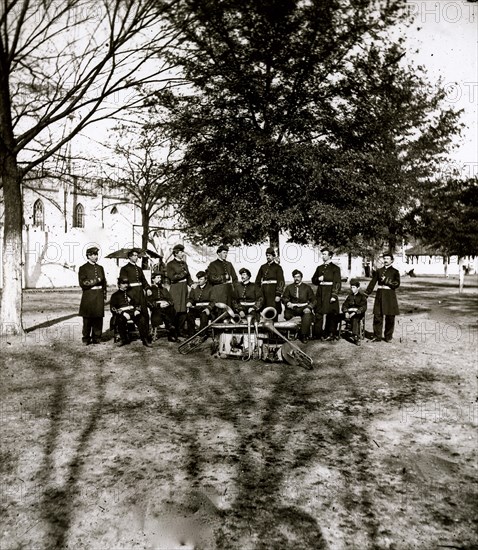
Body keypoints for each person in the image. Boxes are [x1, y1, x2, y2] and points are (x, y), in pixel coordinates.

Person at [365, 253, 400, 342]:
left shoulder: (395, 272)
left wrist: (386, 280)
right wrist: (366, 293)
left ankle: (388, 337)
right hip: (379, 295)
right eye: (384, 258)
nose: (385, 260)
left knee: (390, 317)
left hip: (390, 296)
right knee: (377, 316)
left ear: (392, 260)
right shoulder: (379, 271)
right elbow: (372, 283)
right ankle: (377, 336)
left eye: (388, 258)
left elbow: (396, 284)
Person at [110, 277, 152, 347]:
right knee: (120, 320)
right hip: (122, 313)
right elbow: (113, 308)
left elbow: (137, 303)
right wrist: (123, 313)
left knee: (141, 318)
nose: (126, 285)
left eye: (127, 283)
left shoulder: (132, 293)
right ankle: (123, 339)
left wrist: (137, 310)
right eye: (123, 284)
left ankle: (145, 339)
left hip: (133, 311)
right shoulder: (115, 295)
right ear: (119, 285)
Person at [78, 246, 107, 345]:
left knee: (98, 317)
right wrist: (97, 280)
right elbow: (83, 283)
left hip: (99, 295)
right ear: (88, 256)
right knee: (87, 318)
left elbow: (104, 282)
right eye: (94, 255)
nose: (96, 256)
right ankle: (86, 338)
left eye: (96, 254)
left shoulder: (100, 268)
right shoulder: (83, 268)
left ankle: (97, 337)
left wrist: (104, 293)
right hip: (89, 296)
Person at [312, 248, 342, 341]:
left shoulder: (335, 268)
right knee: (318, 313)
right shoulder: (319, 268)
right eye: (322, 254)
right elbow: (313, 280)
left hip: (330, 292)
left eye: (325, 254)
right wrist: (318, 279)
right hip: (320, 292)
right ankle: (318, 333)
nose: (323, 256)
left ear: (330, 256)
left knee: (331, 313)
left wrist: (334, 295)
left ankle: (331, 333)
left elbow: (337, 282)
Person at [119, 249, 152, 328]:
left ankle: (146, 333)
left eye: (137, 256)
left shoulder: (139, 269)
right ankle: (131, 331)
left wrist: (147, 289)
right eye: (134, 255)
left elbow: (144, 281)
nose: (136, 257)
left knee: (144, 313)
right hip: (131, 293)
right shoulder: (124, 269)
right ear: (130, 257)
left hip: (140, 293)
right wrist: (126, 295)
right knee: (133, 312)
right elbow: (123, 283)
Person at [282, 269, 316, 343]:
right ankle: (291, 333)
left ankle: (304, 335)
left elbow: (313, 300)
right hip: (292, 308)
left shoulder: (307, 287)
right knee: (287, 315)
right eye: (295, 277)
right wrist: (287, 303)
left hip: (304, 307)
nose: (296, 278)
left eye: (298, 277)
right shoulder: (289, 287)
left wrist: (309, 307)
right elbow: (284, 297)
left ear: (301, 278)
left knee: (307, 315)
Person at [166, 243, 193, 336]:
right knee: (176, 310)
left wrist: (191, 283)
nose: (182, 254)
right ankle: (174, 331)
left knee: (184, 310)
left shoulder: (184, 263)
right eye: (181, 252)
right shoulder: (170, 264)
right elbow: (172, 277)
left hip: (184, 288)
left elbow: (188, 275)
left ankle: (180, 330)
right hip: (176, 288)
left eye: (182, 251)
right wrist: (183, 274)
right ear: (176, 253)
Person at [148, 272, 178, 342]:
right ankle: (170, 329)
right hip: (156, 309)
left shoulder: (164, 289)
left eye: (160, 278)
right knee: (161, 312)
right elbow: (148, 302)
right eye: (158, 278)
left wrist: (168, 303)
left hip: (166, 308)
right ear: (153, 279)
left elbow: (171, 299)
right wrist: (159, 305)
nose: (160, 279)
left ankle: (171, 334)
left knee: (172, 310)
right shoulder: (150, 289)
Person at [254, 247, 285, 316]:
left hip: (273, 292)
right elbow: (257, 281)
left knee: (274, 310)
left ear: (273, 256)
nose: (268, 257)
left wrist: (278, 294)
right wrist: (258, 292)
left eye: (270, 255)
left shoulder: (278, 267)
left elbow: (281, 282)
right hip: (264, 291)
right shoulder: (263, 267)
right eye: (267, 255)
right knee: (264, 310)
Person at [339, 279, 368, 345]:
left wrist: (354, 313)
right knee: (335, 315)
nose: (352, 289)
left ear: (358, 288)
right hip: (348, 313)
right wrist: (346, 312)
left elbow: (363, 307)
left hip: (357, 314)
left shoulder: (362, 297)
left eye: (354, 287)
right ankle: (332, 333)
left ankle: (356, 337)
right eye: (351, 287)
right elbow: (344, 305)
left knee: (355, 319)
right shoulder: (350, 296)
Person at [186, 271, 215, 336]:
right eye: (198, 279)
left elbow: (213, 301)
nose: (199, 281)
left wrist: (208, 308)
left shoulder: (211, 288)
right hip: (197, 308)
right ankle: (191, 335)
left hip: (206, 308)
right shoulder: (195, 288)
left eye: (201, 279)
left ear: (206, 280)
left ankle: (202, 335)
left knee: (204, 315)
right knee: (189, 314)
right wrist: (189, 302)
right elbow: (191, 298)